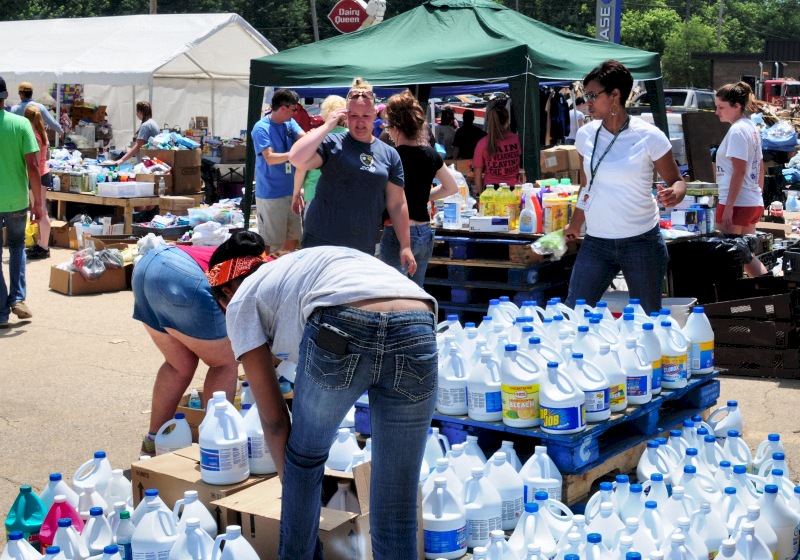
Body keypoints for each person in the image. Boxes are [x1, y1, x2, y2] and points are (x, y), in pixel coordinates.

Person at [207, 231, 437, 560]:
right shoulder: (298, 265)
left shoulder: (240, 302)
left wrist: (297, 484)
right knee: (397, 502)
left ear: (226, 291)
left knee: (304, 459)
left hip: (341, 323)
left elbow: (273, 422)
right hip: (418, 320)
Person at [563, 60, 687, 314]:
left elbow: (677, 181)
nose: (587, 103)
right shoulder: (586, 134)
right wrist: (576, 223)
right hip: (597, 241)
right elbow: (588, 183)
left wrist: (675, 193)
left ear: (615, 95)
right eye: (586, 96)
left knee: (647, 321)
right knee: (573, 314)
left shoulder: (649, 135)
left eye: (593, 96)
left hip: (641, 242)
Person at [289, 77, 416, 275]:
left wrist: (405, 245)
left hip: (362, 245)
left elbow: (397, 204)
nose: (360, 122)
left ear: (375, 115)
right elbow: (296, 158)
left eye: (365, 115)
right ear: (345, 116)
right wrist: (326, 126)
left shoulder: (389, 153)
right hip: (321, 242)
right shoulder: (333, 142)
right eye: (354, 115)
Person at [131, 242, 239, 455]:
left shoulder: (258, 258)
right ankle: (216, 445)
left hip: (145, 268)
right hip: (184, 278)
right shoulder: (268, 269)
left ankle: (154, 442)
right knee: (225, 362)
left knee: (179, 364)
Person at [380, 90, 458, 286]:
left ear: (395, 128)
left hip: (397, 233)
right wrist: (423, 196)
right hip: (424, 232)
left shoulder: (390, 157)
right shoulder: (431, 154)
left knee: (395, 294)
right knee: (417, 293)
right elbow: (451, 187)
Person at [0, 75, 44, 328]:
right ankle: (17, 298)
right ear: (6, 96)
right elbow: (33, 167)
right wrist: (38, 202)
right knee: (17, 247)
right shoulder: (21, 124)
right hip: (17, 199)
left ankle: (1, 312)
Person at [714, 82, 768, 277]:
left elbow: (739, 171)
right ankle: (767, 290)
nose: (717, 112)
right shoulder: (750, 127)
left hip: (737, 203)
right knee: (745, 255)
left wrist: (728, 207)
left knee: (729, 255)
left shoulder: (738, 131)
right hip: (750, 201)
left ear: (736, 106)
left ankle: (732, 300)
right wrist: (758, 195)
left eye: (721, 107)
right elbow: (760, 165)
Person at [251, 89, 306, 253]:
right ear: (283, 108)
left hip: (292, 193)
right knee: (273, 244)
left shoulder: (289, 123)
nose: (296, 113)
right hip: (271, 195)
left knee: (292, 239)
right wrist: (293, 155)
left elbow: (304, 139)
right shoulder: (261, 128)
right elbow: (270, 157)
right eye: (294, 109)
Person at [291, 95, 347, 217]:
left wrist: (296, 194)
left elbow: (301, 168)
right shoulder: (353, 138)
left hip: (314, 194)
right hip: (344, 197)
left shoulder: (314, 137)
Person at [22, 105, 52, 260]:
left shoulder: (34, 135)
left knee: (41, 212)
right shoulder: (41, 132)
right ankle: (41, 243)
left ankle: (44, 246)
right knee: (41, 212)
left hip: (39, 177)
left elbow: (36, 161)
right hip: (43, 174)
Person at [472, 100, 521, 192]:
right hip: (514, 190)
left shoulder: (482, 143)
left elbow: (477, 174)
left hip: (491, 190)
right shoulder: (517, 139)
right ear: (507, 120)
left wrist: (481, 195)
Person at [114, 101, 159, 165]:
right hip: (152, 160)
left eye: (137, 112)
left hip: (147, 163)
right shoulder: (153, 123)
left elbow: (138, 146)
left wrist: (122, 159)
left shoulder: (146, 125)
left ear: (140, 112)